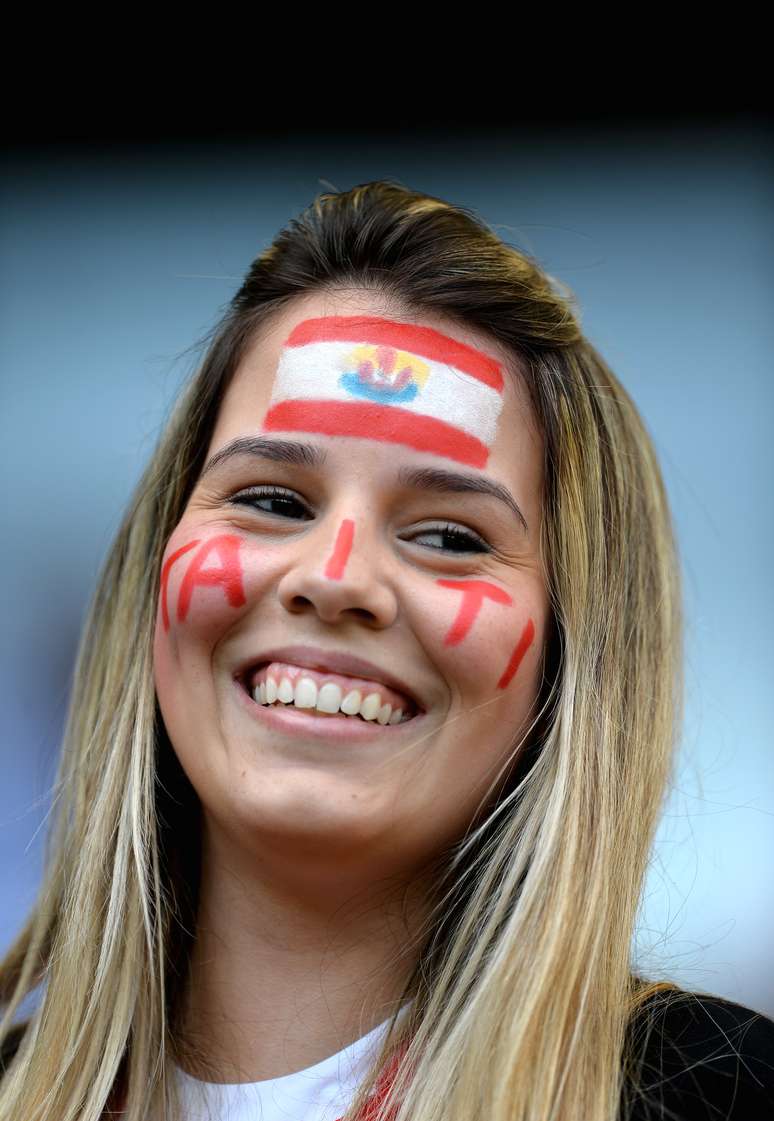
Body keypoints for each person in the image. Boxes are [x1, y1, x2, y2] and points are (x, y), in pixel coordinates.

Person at [0, 181, 771, 1121]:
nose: (335, 577)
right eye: (274, 500)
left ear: (571, 660)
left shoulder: (718, 1095)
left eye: (448, 535)